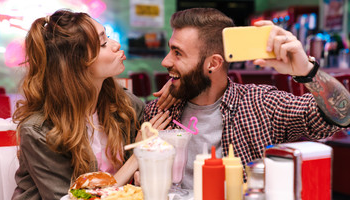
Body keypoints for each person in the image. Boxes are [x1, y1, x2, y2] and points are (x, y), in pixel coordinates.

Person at [143, 8, 350, 189]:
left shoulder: (259, 105)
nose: (165, 61)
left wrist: (307, 70)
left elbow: (343, 115)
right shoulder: (158, 114)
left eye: (177, 53)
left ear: (213, 64)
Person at [4, 9, 172, 200]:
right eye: (103, 44)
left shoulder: (126, 105)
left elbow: (160, 129)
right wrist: (138, 157)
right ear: (76, 64)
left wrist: (178, 87)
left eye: (108, 36)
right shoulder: (39, 129)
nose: (115, 45)